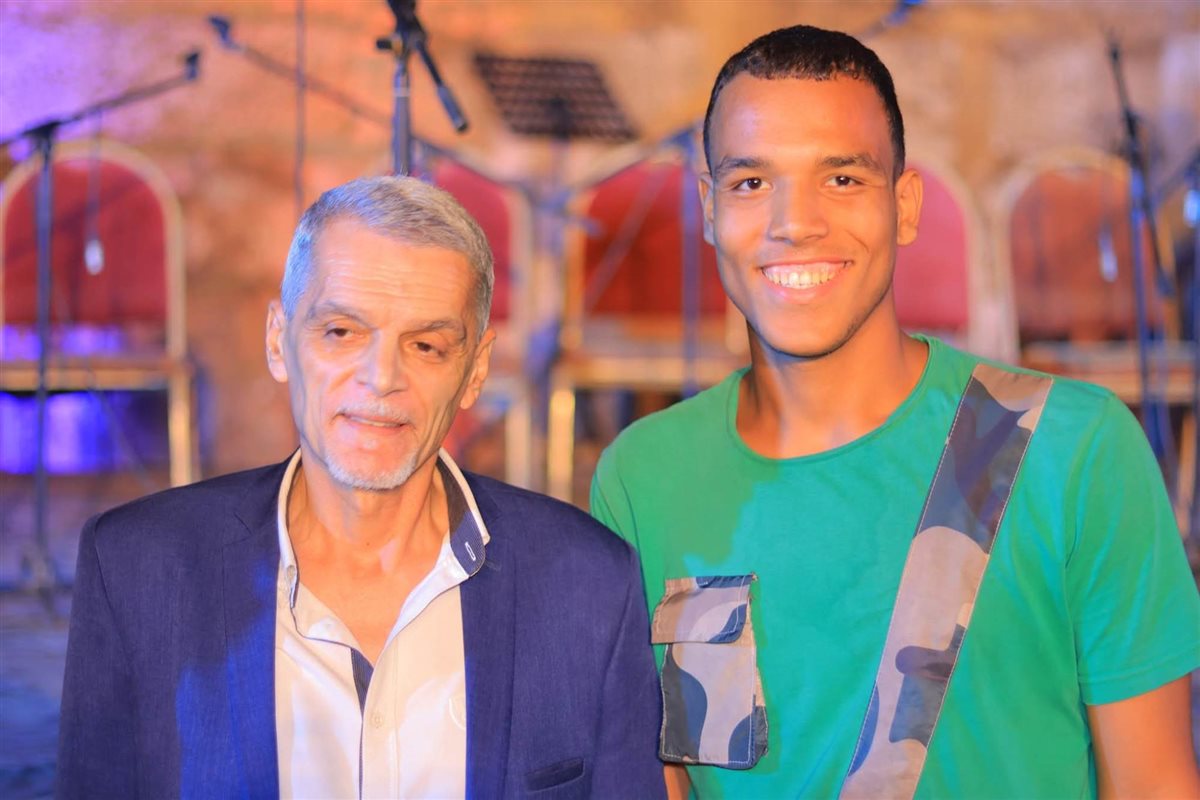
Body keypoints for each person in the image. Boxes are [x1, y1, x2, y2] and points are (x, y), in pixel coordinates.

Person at [591, 24, 1200, 799]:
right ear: (709, 210)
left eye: (842, 178)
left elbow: (1156, 783)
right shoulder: (644, 477)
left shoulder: (1071, 448)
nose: (794, 222)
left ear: (904, 207)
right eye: (751, 183)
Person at [58, 176, 665, 799]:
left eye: (426, 345)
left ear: (475, 370)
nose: (381, 378)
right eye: (342, 332)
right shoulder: (137, 568)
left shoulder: (588, 581)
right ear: (278, 341)